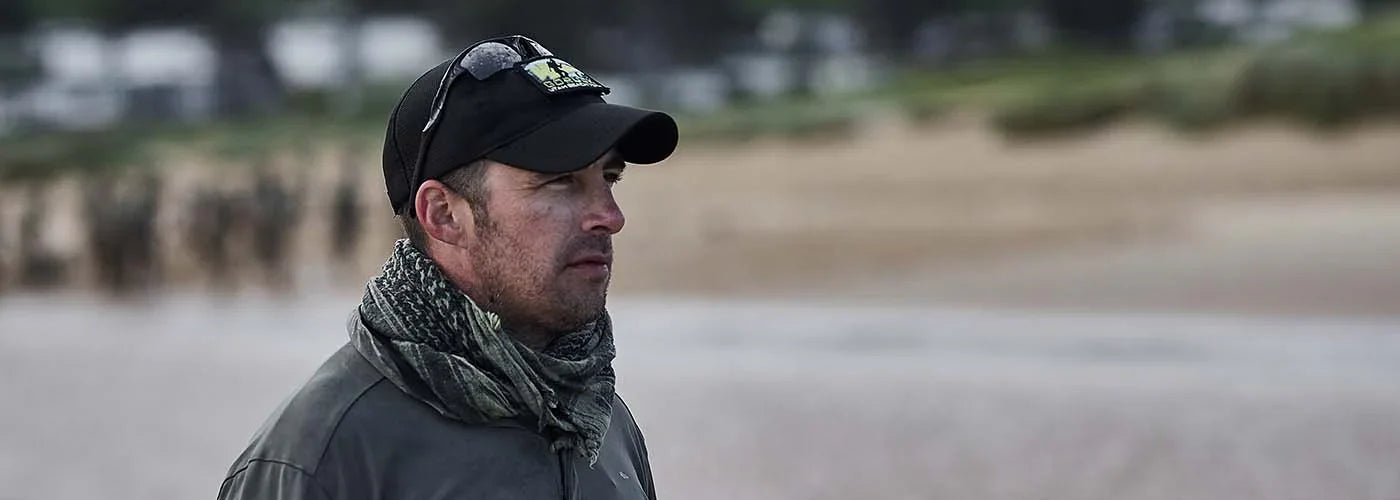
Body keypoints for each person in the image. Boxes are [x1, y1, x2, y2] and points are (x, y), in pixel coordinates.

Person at [217, 35, 678, 500]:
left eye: (610, 178)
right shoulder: (320, 458)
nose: (611, 217)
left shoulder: (603, 423)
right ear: (443, 215)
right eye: (560, 183)